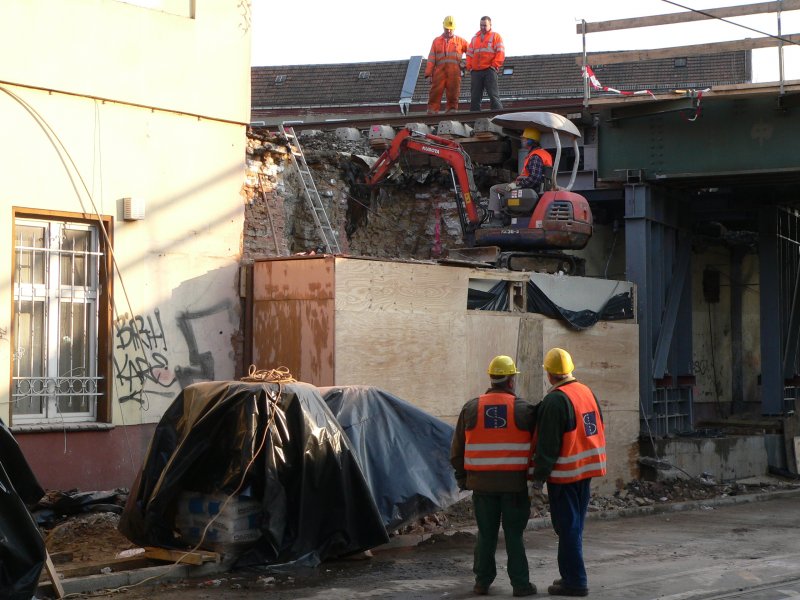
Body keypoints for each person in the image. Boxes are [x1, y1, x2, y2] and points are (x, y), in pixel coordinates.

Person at [450, 355, 537, 597]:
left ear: (492, 378)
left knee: (486, 535)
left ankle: (482, 583)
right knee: (514, 536)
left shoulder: (471, 408)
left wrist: (462, 477)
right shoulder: (523, 409)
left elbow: (457, 450)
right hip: (514, 487)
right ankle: (520, 585)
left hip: (482, 486)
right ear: (511, 381)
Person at [530, 348, 607, 597]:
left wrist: (537, 480)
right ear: (570, 370)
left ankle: (575, 581)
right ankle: (570, 576)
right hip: (587, 469)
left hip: (565, 474)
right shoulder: (586, 392)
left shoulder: (555, 400)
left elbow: (548, 445)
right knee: (574, 526)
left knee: (568, 527)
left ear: (550, 375)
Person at [487, 127, 553, 226]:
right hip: (530, 187)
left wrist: (516, 185)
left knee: (494, 189)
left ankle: (497, 218)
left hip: (528, 188)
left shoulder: (535, 156)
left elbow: (534, 179)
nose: (522, 141)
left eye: (524, 139)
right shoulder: (542, 154)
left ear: (531, 141)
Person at [425, 15, 468, 115]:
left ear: (454, 28)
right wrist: (428, 74)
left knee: (453, 94)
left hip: (454, 73)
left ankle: (451, 114)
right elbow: (431, 58)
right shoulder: (436, 41)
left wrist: (465, 63)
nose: (448, 31)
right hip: (439, 73)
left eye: (451, 29)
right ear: (443, 26)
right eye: (447, 29)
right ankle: (431, 114)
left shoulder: (461, 41)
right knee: (434, 94)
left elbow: (471, 53)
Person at [467, 16, 505, 111]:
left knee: (493, 95)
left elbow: (500, 52)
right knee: (475, 97)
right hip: (476, 71)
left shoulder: (496, 36)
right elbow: (469, 54)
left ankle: (498, 117)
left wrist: (494, 66)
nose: (482, 27)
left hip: (489, 70)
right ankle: (474, 120)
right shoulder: (474, 39)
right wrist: (470, 67)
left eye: (485, 25)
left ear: (490, 25)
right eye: (481, 25)